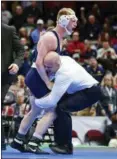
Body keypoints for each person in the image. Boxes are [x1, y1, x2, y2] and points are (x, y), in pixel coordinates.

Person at [11, 8, 78, 154]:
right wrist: (48, 82)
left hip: (37, 77)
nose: (75, 24)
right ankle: (34, 143)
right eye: (73, 20)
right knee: (52, 111)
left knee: (35, 110)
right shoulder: (50, 37)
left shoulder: (59, 38)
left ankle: (18, 140)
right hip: (37, 77)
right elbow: (39, 63)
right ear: (64, 20)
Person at [1, 23, 24, 150]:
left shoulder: (8, 30)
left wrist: (16, 63)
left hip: (4, 75)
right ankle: (2, 142)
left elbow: (21, 50)